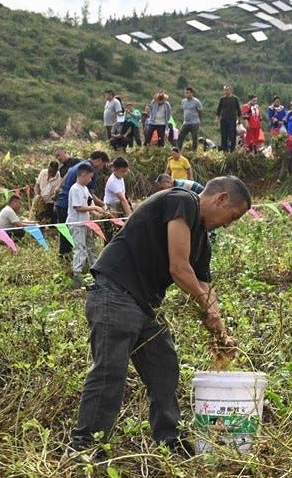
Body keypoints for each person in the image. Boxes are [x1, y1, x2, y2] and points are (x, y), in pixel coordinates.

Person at [65, 176, 250, 458]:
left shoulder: (201, 237)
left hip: (146, 305)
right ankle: (84, 449)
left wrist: (221, 333)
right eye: (232, 217)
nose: (227, 224)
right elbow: (179, 268)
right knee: (109, 373)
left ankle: (169, 439)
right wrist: (206, 307)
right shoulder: (182, 201)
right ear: (221, 198)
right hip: (114, 293)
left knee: (165, 368)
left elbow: (205, 287)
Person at [54, 151, 109, 257]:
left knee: (65, 235)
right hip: (69, 205)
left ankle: (64, 257)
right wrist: (102, 205)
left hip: (61, 202)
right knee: (74, 236)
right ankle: (75, 263)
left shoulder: (80, 165)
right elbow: (90, 194)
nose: (102, 168)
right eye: (103, 165)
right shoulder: (89, 170)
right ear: (99, 160)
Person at [67, 163, 105, 287]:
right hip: (77, 223)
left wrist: (98, 214)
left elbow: (89, 204)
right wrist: (94, 208)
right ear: (83, 175)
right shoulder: (75, 189)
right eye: (90, 177)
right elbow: (78, 207)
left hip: (86, 223)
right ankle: (77, 274)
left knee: (91, 246)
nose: (90, 180)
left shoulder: (85, 189)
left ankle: (97, 271)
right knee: (80, 248)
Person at [215, 84, 242, 152]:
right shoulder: (222, 99)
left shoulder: (235, 99)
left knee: (232, 135)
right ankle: (225, 150)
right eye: (225, 90)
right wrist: (217, 119)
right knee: (223, 135)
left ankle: (232, 150)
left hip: (232, 120)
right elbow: (219, 109)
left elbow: (238, 110)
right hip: (223, 119)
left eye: (227, 90)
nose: (226, 91)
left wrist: (239, 119)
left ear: (230, 90)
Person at [179, 87, 203, 152]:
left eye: (188, 93)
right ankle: (178, 151)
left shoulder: (196, 101)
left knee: (194, 138)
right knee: (180, 136)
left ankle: (194, 152)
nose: (186, 94)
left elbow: (200, 111)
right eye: (185, 93)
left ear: (192, 93)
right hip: (186, 122)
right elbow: (183, 110)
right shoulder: (183, 101)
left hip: (194, 123)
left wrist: (198, 119)